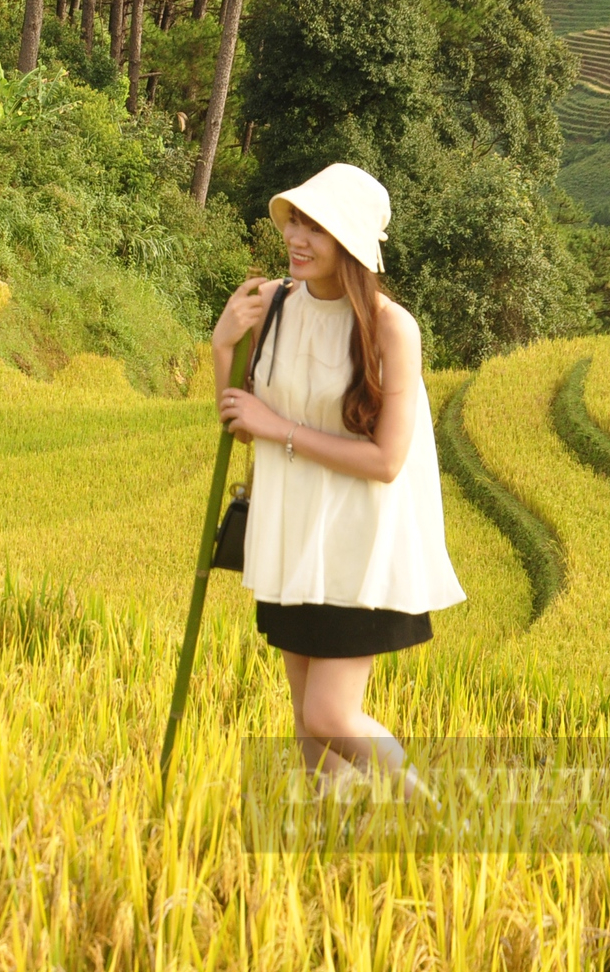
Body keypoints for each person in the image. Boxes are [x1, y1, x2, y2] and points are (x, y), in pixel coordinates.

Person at [211, 162, 464, 797]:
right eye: (295, 220)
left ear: (349, 244)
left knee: (329, 714)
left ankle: (434, 817)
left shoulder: (389, 328)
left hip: (358, 541)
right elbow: (242, 424)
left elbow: (386, 461)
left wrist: (279, 428)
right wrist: (222, 352)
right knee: (307, 727)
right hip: (291, 529)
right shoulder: (270, 305)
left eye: (315, 228)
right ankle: (333, 855)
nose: (296, 237)